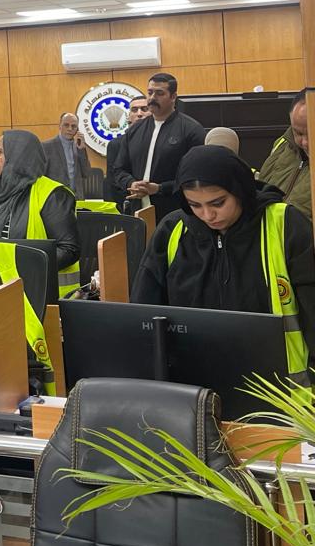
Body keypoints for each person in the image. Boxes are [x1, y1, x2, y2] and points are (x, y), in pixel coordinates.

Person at [132, 145, 315, 381]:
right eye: (195, 205)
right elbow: (142, 313)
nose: (208, 215)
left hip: (277, 384)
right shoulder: (172, 230)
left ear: (240, 190)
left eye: (218, 203)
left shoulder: (285, 223)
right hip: (194, 380)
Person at [0, 130, 81, 298]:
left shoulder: (52, 194)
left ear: (18, 156)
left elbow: (69, 250)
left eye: (0, 152)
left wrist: (21, 266)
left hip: (45, 296)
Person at [112, 73, 206, 219]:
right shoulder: (134, 130)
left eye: (159, 93)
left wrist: (160, 189)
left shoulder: (191, 130)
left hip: (175, 210)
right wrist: (131, 183)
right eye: (150, 92)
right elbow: (119, 169)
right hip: (137, 209)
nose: (152, 97)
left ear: (173, 97)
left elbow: (196, 175)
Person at [258, 92, 311, 220]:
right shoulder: (283, 144)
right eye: (298, 133)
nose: (305, 142)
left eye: (312, 133)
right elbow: (263, 185)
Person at [105, 95, 149, 203]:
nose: (139, 114)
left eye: (144, 109)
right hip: (128, 201)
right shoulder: (116, 144)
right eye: (134, 110)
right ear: (129, 117)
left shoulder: (160, 141)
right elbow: (113, 181)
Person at [43, 112, 90, 196]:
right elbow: (41, 176)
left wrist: (82, 150)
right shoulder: (46, 146)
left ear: (77, 129)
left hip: (76, 197)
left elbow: (86, 173)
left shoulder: (79, 147)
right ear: (60, 126)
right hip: (55, 197)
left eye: (73, 126)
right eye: (66, 125)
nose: (70, 129)